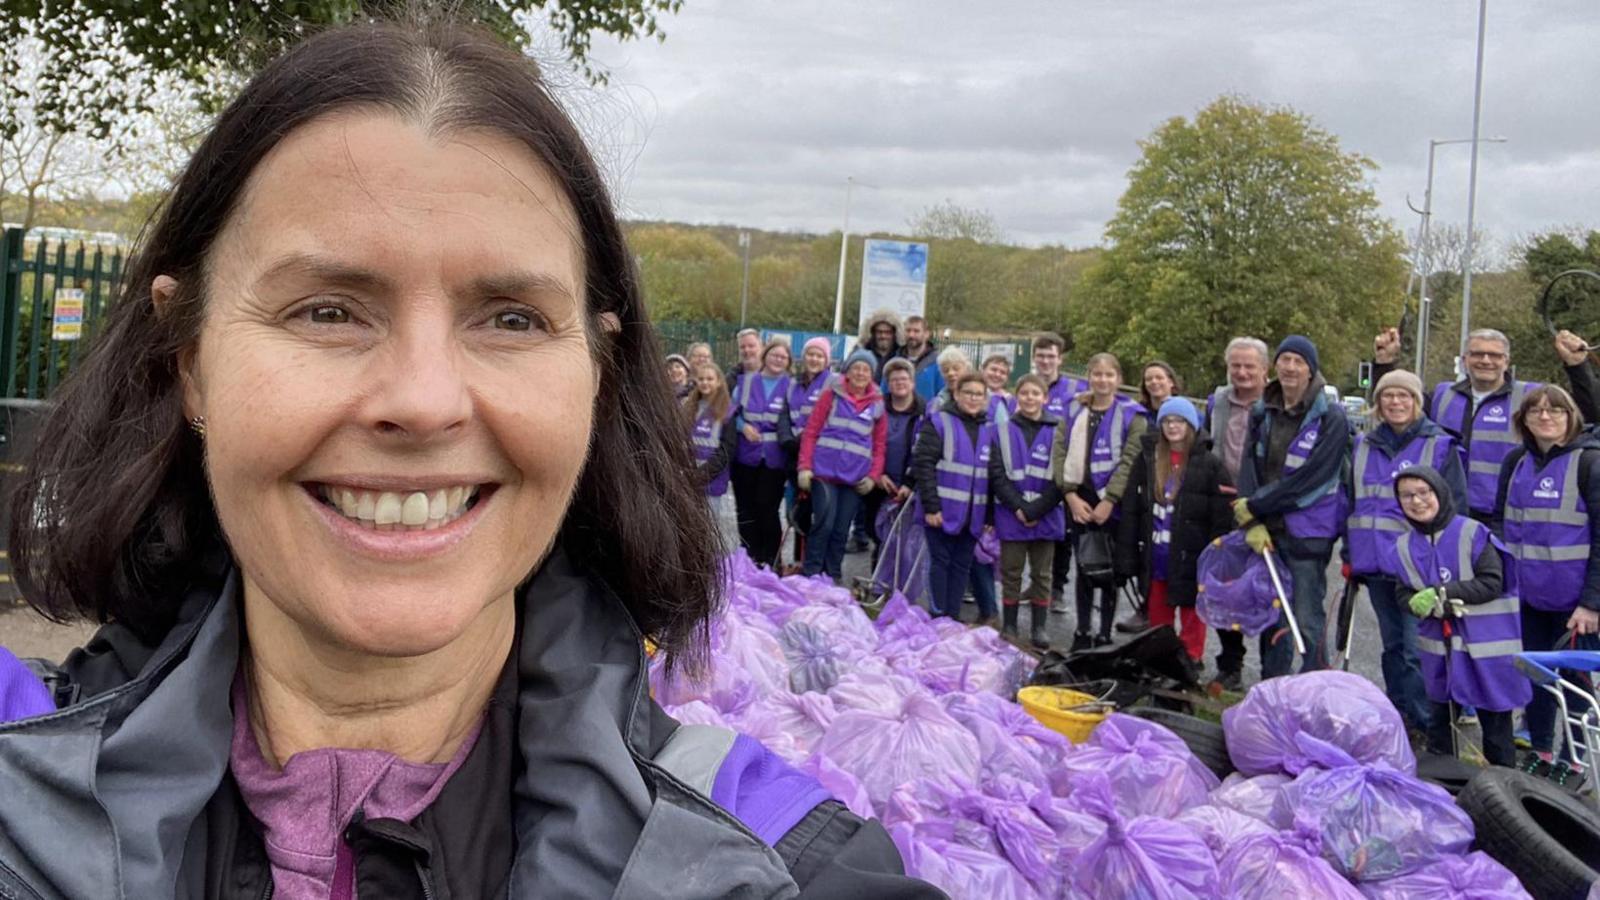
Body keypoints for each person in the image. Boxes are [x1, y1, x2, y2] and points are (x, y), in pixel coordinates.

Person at [0, 20, 932, 898]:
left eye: (512, 319)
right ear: (190, 360)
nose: (423, 400)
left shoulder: (776, 860)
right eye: (327, 310)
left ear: (596, 376)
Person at [1344, 369, 1467, 732]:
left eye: (1404, 396)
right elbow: (1351, 502)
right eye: (1387, 396)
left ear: (1417, 402)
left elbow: (1456, 507)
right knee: (1393, 647)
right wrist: (1350, 556)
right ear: (1378, 403)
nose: (1395, 402)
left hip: (1421, 568)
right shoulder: (1362, 445)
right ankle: (1397, 718)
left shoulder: (1440, 446)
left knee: (1420, 650)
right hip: (1376, 563)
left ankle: (1431, 725)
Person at [1385, 466, 1529, 767]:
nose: (1417, 501)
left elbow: (1493, 581)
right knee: (1441, 722)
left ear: (1440, 493)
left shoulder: (1472, 533)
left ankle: (1504, 791)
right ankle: (1446, 787)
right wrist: (1415, 603)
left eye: (1424, 493)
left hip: (1485, 646)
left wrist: (1441, 594)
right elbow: (1403, 594)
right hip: (1440, 650)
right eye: (1407, 495)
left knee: (1495, 726)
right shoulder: (1403, 547)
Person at [1491, 385, 1600, 770]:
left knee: (1575, 684)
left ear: (1571, 417)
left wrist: (1591, 602)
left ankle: (1575, 763)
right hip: (1526, 596)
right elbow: (1499, 523)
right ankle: (1541, 751)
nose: (1545, 416)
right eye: (1536, 410)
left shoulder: (1589, 464)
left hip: (1576, 605)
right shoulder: (1515, 462)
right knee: (1535, 680)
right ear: (1524, 419)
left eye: (1555, 410)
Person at [1232, 335, 1349, 678]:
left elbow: (1313, 479)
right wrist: (1250, 517)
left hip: (1308, 534)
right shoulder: (1262, 411)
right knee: (1271, 617)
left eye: (1299, 361)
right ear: (1276, 365)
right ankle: (1273, 689)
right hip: (1267, 529)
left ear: (1311, 370)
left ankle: (1314, 691)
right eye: (1285, 360)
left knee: (1306, 620)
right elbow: (1249, 466)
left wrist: (1255, 504)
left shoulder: (1333, 418)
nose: (1291, 368)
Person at [1372, 326, 1571, 521]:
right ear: (1465, 360)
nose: (1485, 360)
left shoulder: (1529, 396)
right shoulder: (1443, 394)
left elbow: (1581, 416)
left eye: (1494, 355)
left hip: (1504, 515)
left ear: (1506, 361)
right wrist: (1385, 363)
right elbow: (1396, 408)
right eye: (1478, 354)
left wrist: (1576, 367)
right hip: (1446, 513)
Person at [1116, 397, 1235, 675]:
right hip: (1157, 554)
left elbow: (1222, 514)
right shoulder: (1148, 460)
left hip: (1192, 555)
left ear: (1191, 425)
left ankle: (1191, 660)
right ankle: (1161, 660)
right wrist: (1127, 554)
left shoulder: (1210, 464)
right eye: (1167, 421)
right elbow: (1132, 510)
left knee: (1193, 612)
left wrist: (1217, 555)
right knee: (1158, 611)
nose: (1172, 426)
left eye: (1179, 421)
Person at [1052, 352, 1149, 649]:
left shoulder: (1133, 415)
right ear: (1089, 377)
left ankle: (1105, 633)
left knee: (1109, 570)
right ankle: (1082, 631)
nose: (1103, 380)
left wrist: (1111, 500)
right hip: (1079, 498)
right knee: (1084, 568)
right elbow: (1059, 451)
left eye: (1109, 375)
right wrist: (1069, 495)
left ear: (1118, 379)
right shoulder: (1074, 410)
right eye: (1097, 374)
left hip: (1114, 504)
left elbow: (1131, 460)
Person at [1202, 336, 1271, 690]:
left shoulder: (1275, 405)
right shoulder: (1217, 402)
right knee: (1224, 588)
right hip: (1221, 505)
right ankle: (1230, 665)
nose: (1242, 373)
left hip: (1262, 505)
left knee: (1263, 589)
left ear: (1264, 370)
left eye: (1249, 366)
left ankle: (1271, 673)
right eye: (1235, 366)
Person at [797, 351, 887, 582]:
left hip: (854, 479)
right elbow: (811, 432)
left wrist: (873, 476)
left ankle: (833, 575)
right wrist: (805, 467)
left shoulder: (877, 405)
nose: (860, 373)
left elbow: (879, 445)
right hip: (824, 474)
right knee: (824, 525)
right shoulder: (831, 395)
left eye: (866, 370)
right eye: (856, 368)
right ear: (848, 370)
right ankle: (811, 574)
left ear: (872, 374)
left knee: (840, 530)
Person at [989, 375, 1064, 648]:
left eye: (1036, 393)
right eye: (1025, 393)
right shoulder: (1001, 430)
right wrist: (1019, 507)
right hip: (1012, 514)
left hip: (1047, 514)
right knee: (1011, 571)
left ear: (1045, 398)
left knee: (1042, 574)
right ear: (1016, 397)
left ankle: (1039, 627)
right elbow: (996, 474)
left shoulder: (1059, 431)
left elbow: (1063, 478)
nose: (1030, 398)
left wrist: (1037, 509)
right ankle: (1009, 624)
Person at [913, 372, 993, 619]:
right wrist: (931, 507)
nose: (973, 398)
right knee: (940, 562)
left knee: (961, 566)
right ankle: (938, 615)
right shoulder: (938, 422)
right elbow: (923, 465)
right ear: (956, 394)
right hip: (941, 511)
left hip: (973, 515)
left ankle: (953, 616)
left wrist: (989, 515)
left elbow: (993, 478)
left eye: (978, 394)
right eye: (968, 392)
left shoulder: (991, 429)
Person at [1114, 359, 1185, 633]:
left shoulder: (1188, 413)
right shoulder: (1139, 414)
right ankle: (1147, 610)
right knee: (1145, 553)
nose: (1154, 383)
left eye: (1160, 377)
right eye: (1149, 379)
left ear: (1171, 381)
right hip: (1145, 489)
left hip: (1176, 490)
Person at [1031, 332, 1089, 613]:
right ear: (1034, 358)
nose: (1045, 361)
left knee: (1062, 532)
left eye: (1050, 356)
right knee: (1032, 527)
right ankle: (1036, 584)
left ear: (1060, 358)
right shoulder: (1027, 387)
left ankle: (1057, 588)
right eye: (1040, 356)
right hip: (1031, 469)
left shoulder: (1075, 389)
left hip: (1064, 470)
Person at [732, 339, 795, 568]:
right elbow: (730, 412)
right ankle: (749, 556)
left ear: (788, 362)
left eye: (783, 357)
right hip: (746, 455)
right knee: (745, 508)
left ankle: (771, 558)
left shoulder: (792, 386)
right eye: (774, 355)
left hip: (774, 458)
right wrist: (742, 426)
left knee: (767, 508)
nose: (778, 360)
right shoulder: (746, 383)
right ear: (765, 356)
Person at [867, 359, 924, 571]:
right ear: (887, 384)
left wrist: (910, 483)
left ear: (912, 382)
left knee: (904, 538)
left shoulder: (924, 412)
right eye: (894, 379)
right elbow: (867, 443)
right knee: (876, 531)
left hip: (908, 485)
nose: (899, 383)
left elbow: (924, 453)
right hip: (880, 481)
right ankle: (878, 581)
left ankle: (898, 585)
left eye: (904, 378)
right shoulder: (877, 409)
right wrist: (878, 474)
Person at [686, 364, 739, 520]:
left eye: (710, 379)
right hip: (687, 477)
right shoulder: (689, 407)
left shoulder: (728, 411)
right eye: (701, 379)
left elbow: (726, 450)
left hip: (711, 480)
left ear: (719, 382)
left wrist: (701, 475)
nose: (705, 382)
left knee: (708, 528)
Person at [899, 315, 942, 401]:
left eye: (916, 331)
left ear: (926, 334)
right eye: (908, 331)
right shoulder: (895, 361)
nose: (911, 335)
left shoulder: (938, 363)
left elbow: (943, 395)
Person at [859, 311, 903, 381]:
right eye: (879, 332)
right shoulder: (861, 355)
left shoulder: (902, 355)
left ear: (895, 334)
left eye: (887, 332)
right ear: (873, 333)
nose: (883, 336)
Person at [982, 353, 1016, 426]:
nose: (997, 375)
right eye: (993, 370)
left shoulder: (1011, 401)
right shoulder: (974, 395)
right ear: (983, 370)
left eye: (1003, 372)